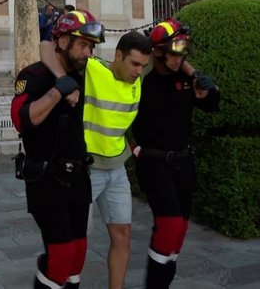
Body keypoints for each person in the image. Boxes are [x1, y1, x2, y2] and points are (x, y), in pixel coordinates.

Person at [39, 31, 151, 289]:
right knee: (76, 241)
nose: (138, 71)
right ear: (118, 55)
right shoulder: (93, 70)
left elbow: (172, 54)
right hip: (88, 171)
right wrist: (63, 81)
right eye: (134, 64)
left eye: (143, 66)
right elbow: (46, 47)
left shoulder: (139, 75)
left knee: (122, 235)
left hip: (117, 169)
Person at [11, 9, 105, 289]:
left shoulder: (85, 70)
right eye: (83, 45)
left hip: (78, 177)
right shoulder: (34, 75)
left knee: (77, 257)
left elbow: (46, 47)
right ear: (63, 42)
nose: (88, 53)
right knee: (61, 256)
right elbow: (22, 119)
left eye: (90, 47)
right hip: (46, 179)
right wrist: (58, 90)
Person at [131, 18, 219, 289]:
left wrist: (205, 86)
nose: (180, 57)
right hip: (155, 165)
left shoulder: (186, 78)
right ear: (157, 51)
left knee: (178, 230)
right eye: (174, 51)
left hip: (183, 164)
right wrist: (131, 147)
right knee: (168, 226)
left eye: (183, 51)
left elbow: (212, 105)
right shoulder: (143, 82)